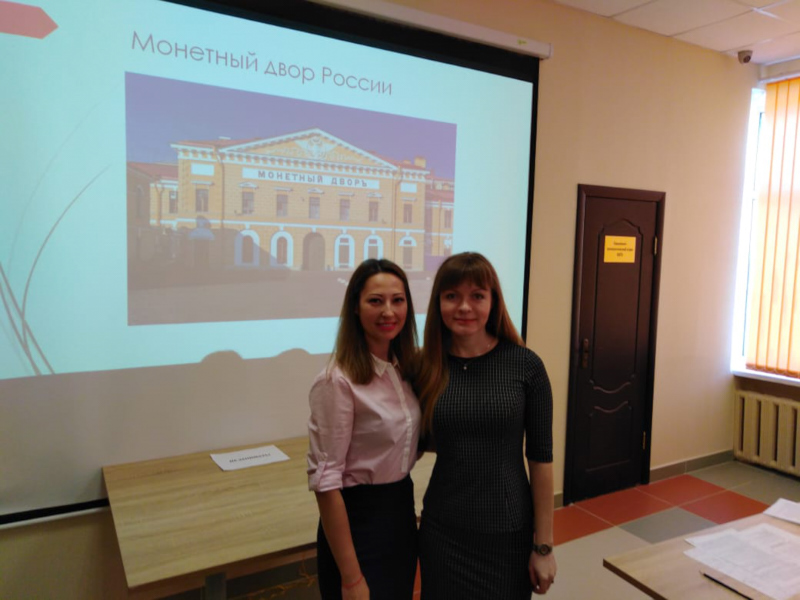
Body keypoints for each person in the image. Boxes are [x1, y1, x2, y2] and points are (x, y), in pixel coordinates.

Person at [416, 252, 557, 599]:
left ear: (493, 302)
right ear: (438, 302)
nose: (464, 307)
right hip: (442, 532)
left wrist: (543, 547)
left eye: (477, 295)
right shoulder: (425, 367)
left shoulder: (525, 366)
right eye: (452, 296)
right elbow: (415, 441)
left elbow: (541, 460)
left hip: (506, 534)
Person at [307, 258, 421, 600]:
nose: (388, 311)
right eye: (375, 301)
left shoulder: (405, 369)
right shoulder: (337, 381)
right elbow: (326, 483)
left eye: (398, 300)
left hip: (400, 515)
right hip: (357, 524)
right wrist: (351, 577)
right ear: (355, 307)